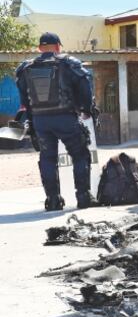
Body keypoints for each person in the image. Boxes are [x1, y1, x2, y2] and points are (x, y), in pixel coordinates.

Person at [15, 32, 95, 211]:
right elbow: (85, 85)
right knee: (80, 155)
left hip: (40, 120)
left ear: (39, 48)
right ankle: (83, 197)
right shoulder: (69, 63)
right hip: (66, 118)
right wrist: (86, 109)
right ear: (58, 46)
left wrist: (32, 118)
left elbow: (24, 98)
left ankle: (52, 200)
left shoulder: (25, 68)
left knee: (47, 158)